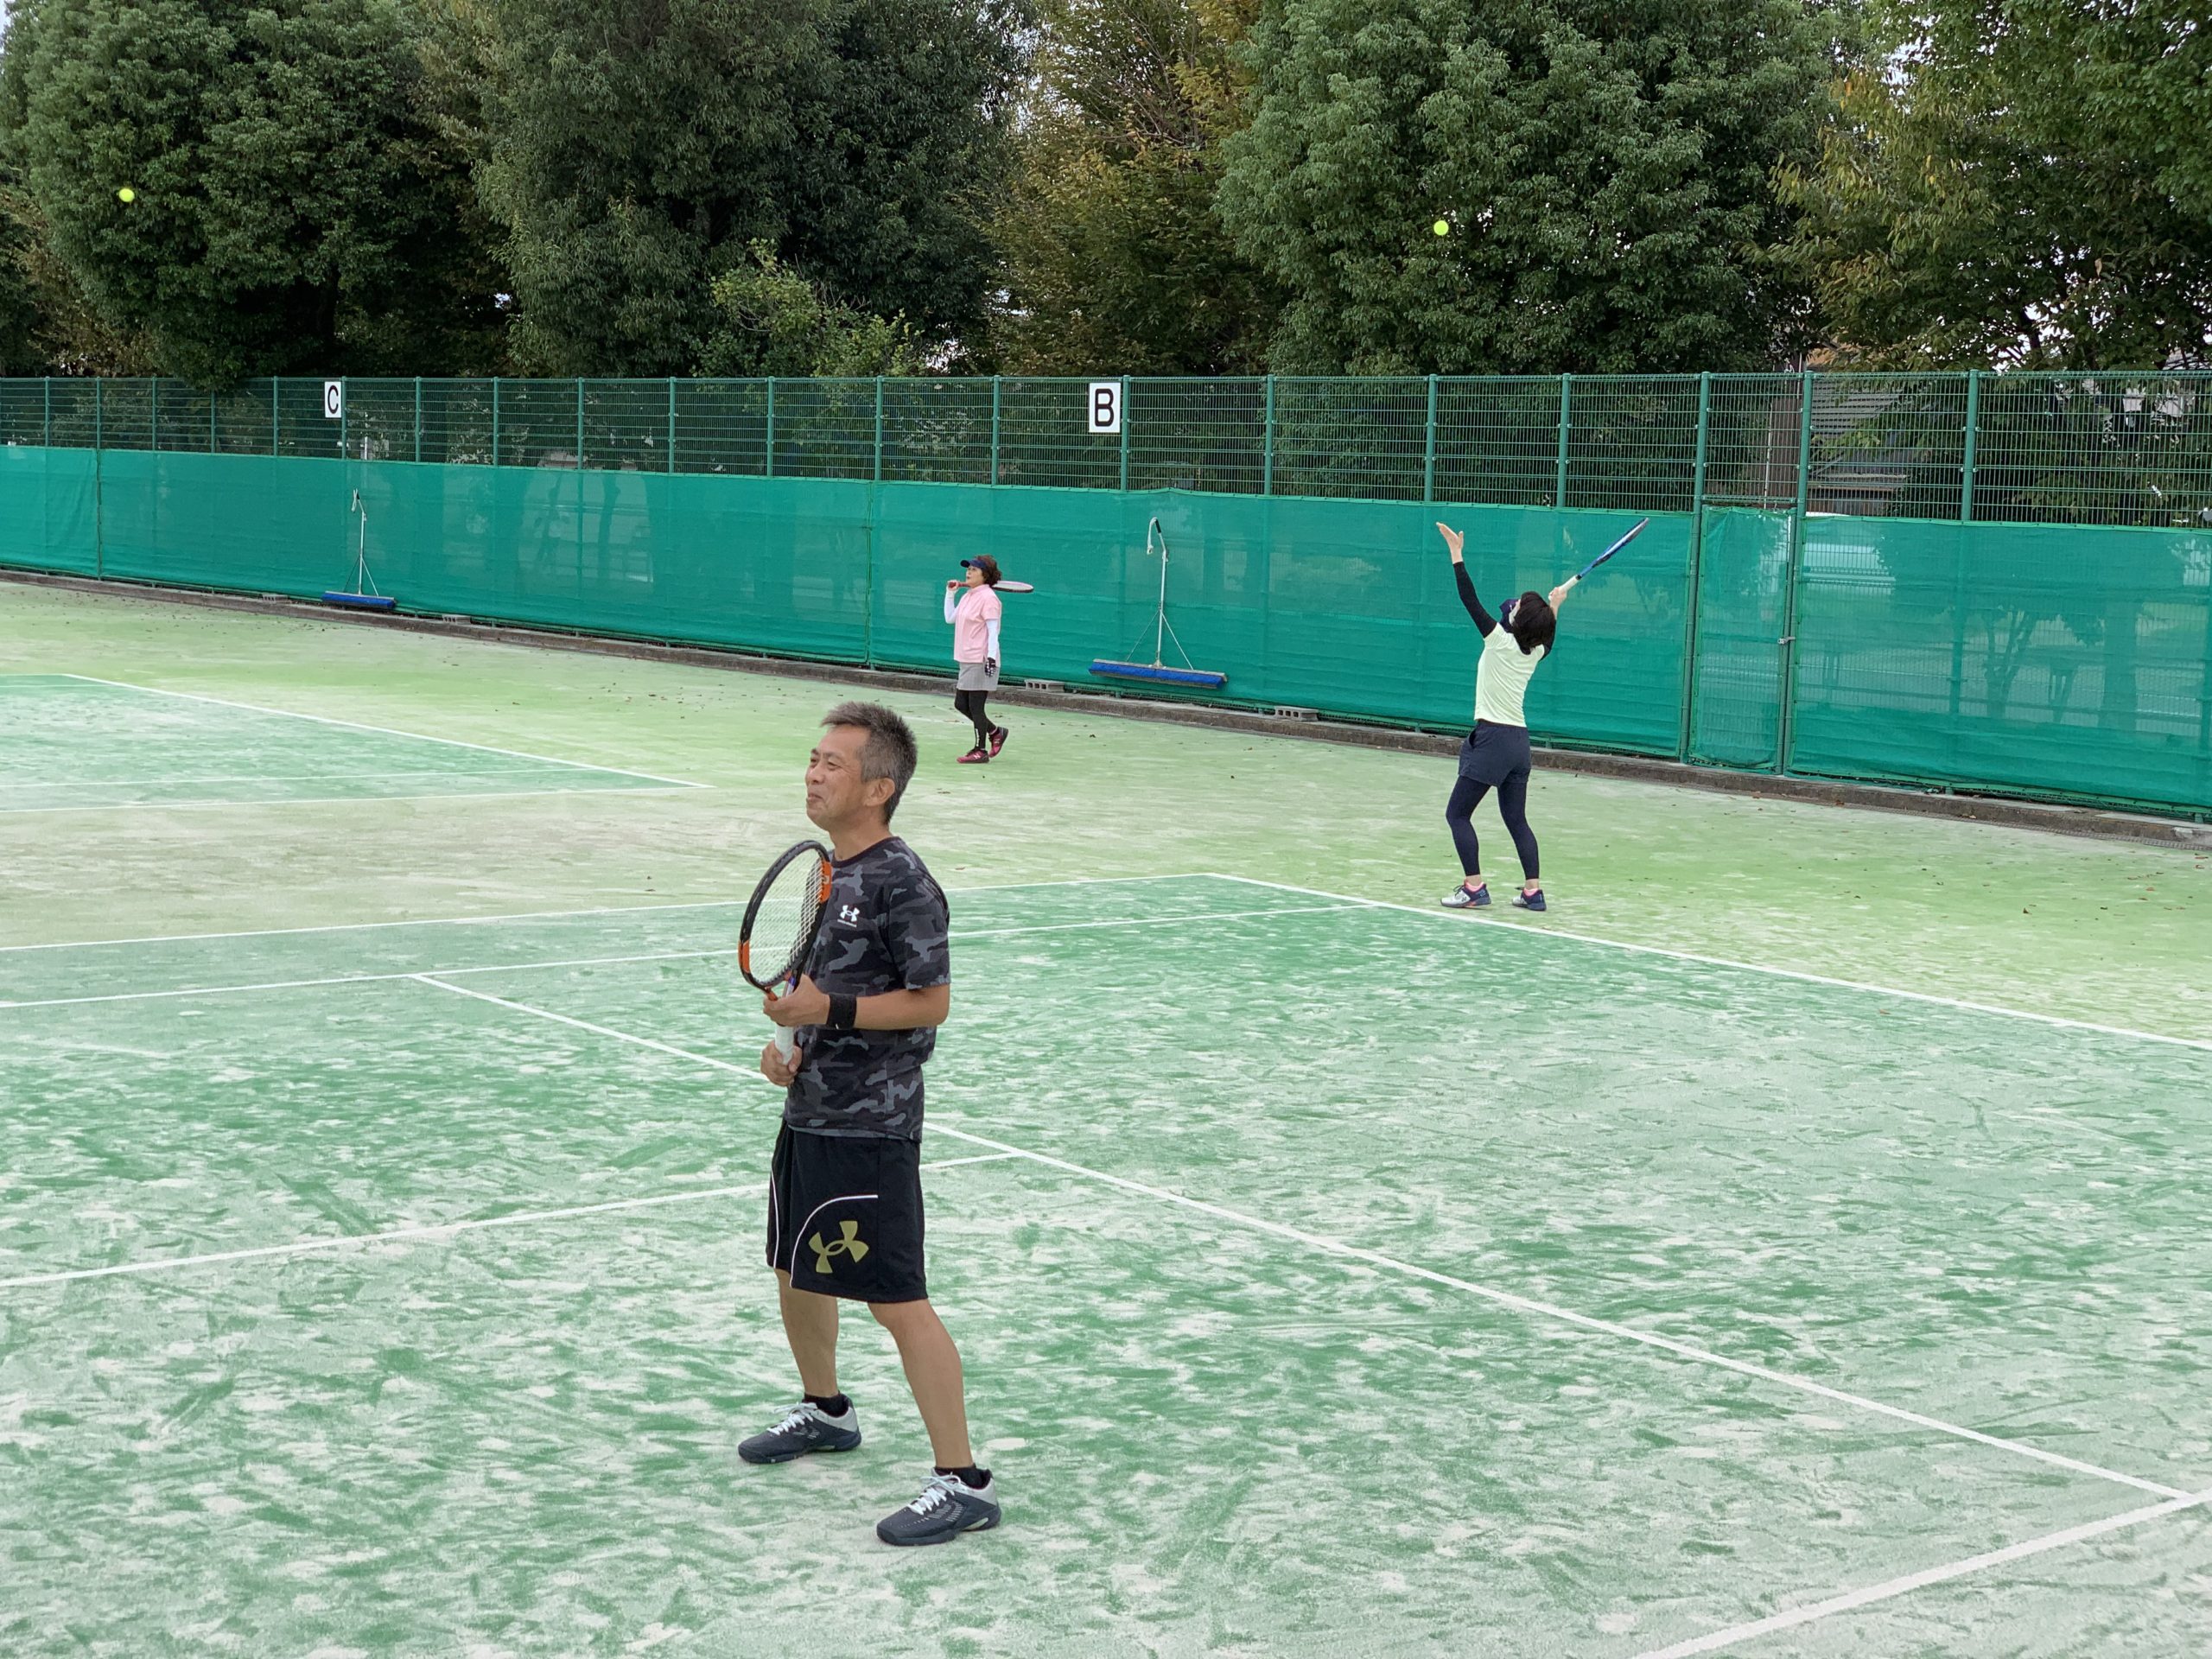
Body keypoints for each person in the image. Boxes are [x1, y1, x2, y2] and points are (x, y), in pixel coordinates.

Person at [744, 700, 1000, 1547]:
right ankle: (825, 1410)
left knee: (897, 1301)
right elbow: (812, 987)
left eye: (833, 765)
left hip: (874, 1123)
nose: (813, 774)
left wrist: (831, 1011)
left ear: (879, 787)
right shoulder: (827, 874)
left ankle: (962, 1482)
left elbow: (933, 1002)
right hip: (810, 1109)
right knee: (796, 1269)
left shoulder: (903, 881)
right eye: (813, 759)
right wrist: (787, 1046)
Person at [1435, 521, 1571, 912]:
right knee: (1516, 819)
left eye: (1516, 609)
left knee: (1457, 814)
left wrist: (1456, 554)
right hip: (1519, 746)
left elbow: (1469, 599)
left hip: (1493, 740)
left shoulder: (1498, 641)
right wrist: (1555, 607)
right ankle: (1533, 892)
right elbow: (1547, 635)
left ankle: (1474, 887)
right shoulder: (1536, 652)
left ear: (1516, 621)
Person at [944, 556, 1007, 764]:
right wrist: (950, 594)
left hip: (981, 659)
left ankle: (980, 750)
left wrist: (991, 658)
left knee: (976, 707)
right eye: (968, 569)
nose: (968, 572)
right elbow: (950, 618)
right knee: (961, 704)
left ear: (985, 575)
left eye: (973, 570)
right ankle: (995, 732)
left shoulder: (989, 599)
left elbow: (993, 631)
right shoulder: (968, 596)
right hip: (966, 658)